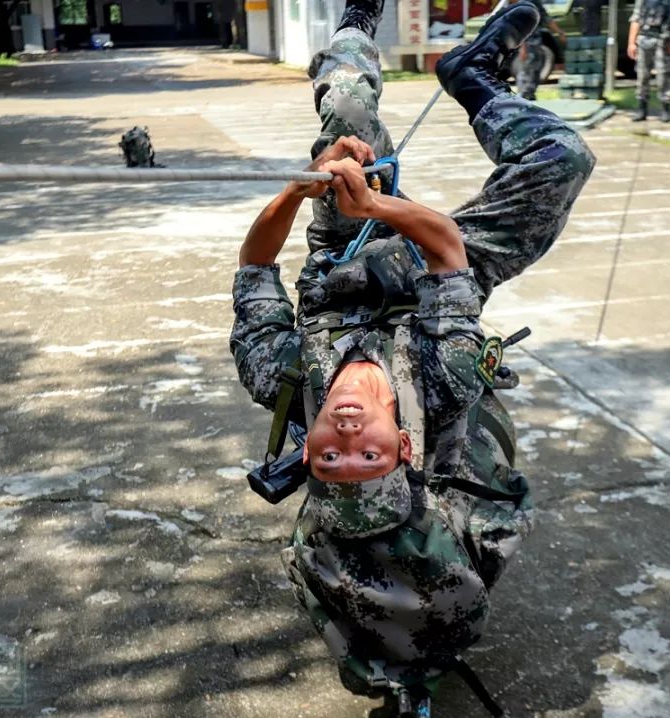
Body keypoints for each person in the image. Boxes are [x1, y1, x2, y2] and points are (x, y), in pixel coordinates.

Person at [229, 0, 594, 713]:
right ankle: (475, 78)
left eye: (331, 459)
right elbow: (447, 251)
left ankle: (354, 27)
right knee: (562, 161)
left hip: (344, 262)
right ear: (402, 447)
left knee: (348, 116)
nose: (347, 441)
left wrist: (307, 185)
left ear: (309, 457)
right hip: (428, 272)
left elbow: (254, 270)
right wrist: (379, 208)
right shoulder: (445, 382)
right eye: (371, 457)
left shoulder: (285, 379)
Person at [627, 0, 670, 122]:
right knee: (642, 75)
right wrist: (631, 43)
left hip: (662, 39)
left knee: (663, 75)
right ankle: (642, 108)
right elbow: (635, 19)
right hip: (644, 38)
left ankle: (666, 109)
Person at [514, 0, 566, 101]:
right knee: (526, 71)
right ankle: (523, 96)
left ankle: (529, 95)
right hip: (527, 43)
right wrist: (522, 47)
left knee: (535, 71)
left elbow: (546, 19)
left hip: (536, 43)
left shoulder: (535, 3)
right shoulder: (525, 3)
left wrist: (560, 32)